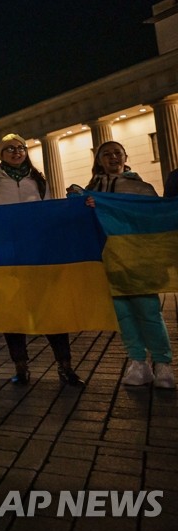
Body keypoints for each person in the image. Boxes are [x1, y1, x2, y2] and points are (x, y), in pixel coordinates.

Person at [0, 133, 83, 386]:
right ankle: (20, 366)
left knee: (51, 311)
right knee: (12, 313)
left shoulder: (38, 180)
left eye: (20, 148)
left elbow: (50, 213)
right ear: (1, 154)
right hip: (6, 258)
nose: (16, 152)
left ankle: (65, 366)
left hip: (37, 255)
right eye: (10, 149)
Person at [84, 141, 174, 388]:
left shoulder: (141, 187)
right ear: (99, 159)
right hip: (109, 258)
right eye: (107, 154)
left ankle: (163, 364)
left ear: (125, 156)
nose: (113, 157)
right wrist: (85, 205)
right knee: (123, 314)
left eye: (117, 153)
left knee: (148, 312)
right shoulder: (91, 189)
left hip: (138, 258)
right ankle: (138, 363)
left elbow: (155, 219)